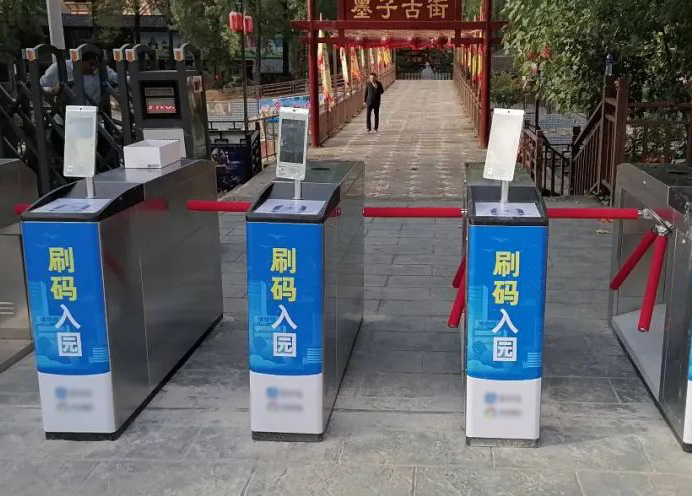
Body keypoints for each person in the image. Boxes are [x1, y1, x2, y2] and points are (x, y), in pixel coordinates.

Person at [40, 51, 118, 107]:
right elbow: (40, 88)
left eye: (96, 65)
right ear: (79, 60)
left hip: (92, 118)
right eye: (91, 64)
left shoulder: (102, 70)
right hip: (64, 119)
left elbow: (119, 80)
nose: (94, 68)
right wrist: (52, 90)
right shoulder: (58, 68)